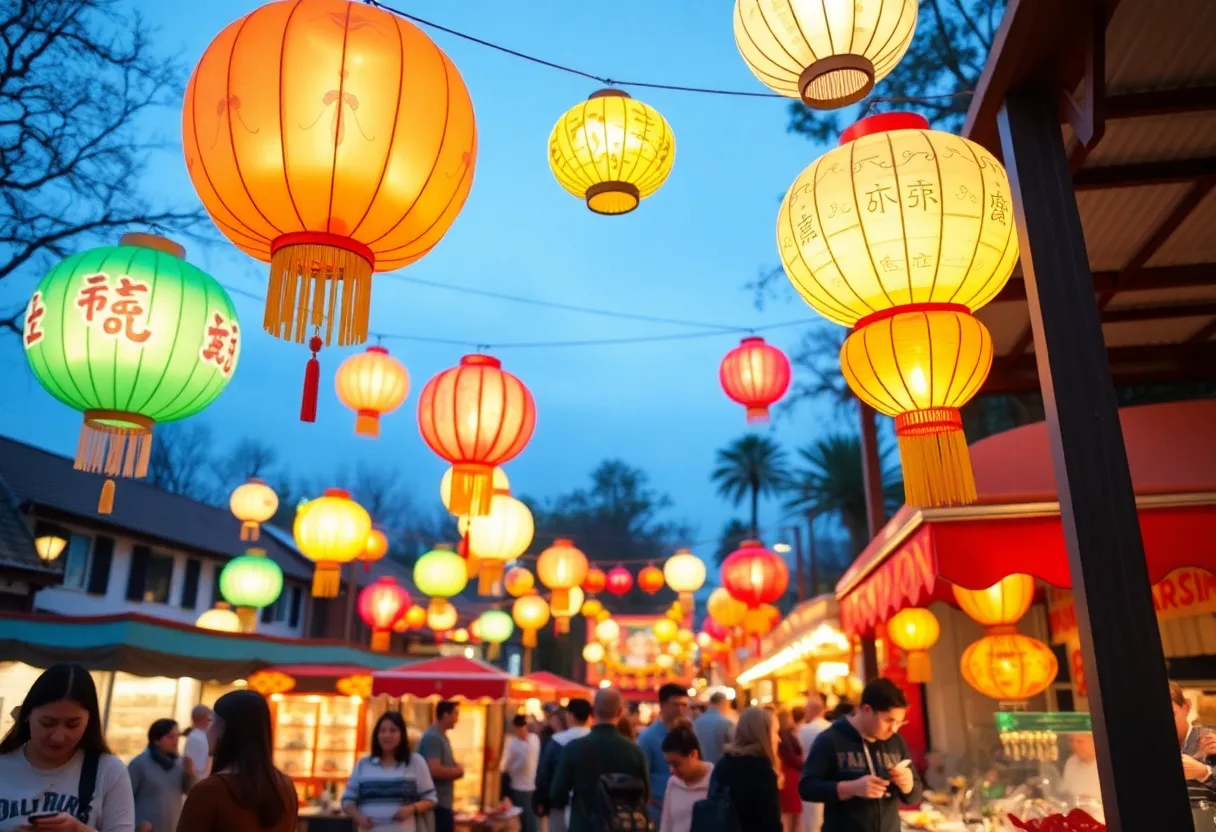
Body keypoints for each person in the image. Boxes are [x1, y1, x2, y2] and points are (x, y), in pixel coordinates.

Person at [0, 663, 134, 832]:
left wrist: (78, 830)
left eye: (73, 724)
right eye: (47, 723)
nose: (58, 737)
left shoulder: (109, 770)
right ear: (27, 715)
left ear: (89, 721)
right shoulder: (3, 764)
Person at [799, 678, 922, 832]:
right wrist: (852, 788)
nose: (894, 729)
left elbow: (916, 794)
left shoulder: (896, 741)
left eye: (899, 722)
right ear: (866, 710)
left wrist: (909, 786)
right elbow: (807, 788)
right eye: (889, 720)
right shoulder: (830, 739)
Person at [176, 689, 297, 832]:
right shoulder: (285, 786)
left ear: (224, 728)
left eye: (211, 722)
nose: (207, 731)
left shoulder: (209, 791)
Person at [549, 687, 650, 832]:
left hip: (583, 825)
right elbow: (645, 795)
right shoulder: (635, 752)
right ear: (620, 712)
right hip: (619, 826)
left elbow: (557, 794)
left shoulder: (574, 749)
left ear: (592, 710)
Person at [342, 712, 436, 832]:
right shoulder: (363, 763)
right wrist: (359, 818)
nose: (387, 735)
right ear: (376, 735)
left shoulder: (415, 762)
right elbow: (347, 801)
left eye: (393, 730)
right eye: (382, 731)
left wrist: (411, 809)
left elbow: (431, 799)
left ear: (402, 734)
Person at [706, 707, 781, 832]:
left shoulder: (723, 763)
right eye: (775, 732)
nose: (779, 739)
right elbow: (770, 823)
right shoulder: (763, 772)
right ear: (763, 735)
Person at [534, 698, 591, 832]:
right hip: (588, 808)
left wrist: (540, 801)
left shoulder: (557, 741)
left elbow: (544, 775)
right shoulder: (595, 740)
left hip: (559, 806)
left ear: (569, 715)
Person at [128, 719, 195, 832]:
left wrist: (189, 773)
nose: (175, 741)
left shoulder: (180, 764)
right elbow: (125, 799)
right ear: (156, 740)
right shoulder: (139, 764)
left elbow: (190, 791)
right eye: (170, 737)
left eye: (177, 737)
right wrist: (138, 822)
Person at [638, 683, 689, 824]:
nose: (680, 709)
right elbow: (643, 775)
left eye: (684, 705)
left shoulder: (690, 733)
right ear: (662, 705)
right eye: (675, 704)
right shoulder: (648, 738)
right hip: (659, 807)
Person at [1170, 681, 1216, 825]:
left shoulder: (1209, 739)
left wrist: (1204, 773)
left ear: (1186, 708)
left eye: (1172, 715)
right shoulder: (1148, 746)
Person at [658, 720, 711, 832]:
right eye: (669, 764)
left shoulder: (715, 782)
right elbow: (666, 824)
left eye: (676, 764)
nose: (672, 770)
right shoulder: (673, 783)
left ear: (693, 754)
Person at [418, 701, 463, 832]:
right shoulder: (433, 737)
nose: (457, 719)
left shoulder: (441, 736)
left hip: (443, 803)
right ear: (445, 715)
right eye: (455, 714)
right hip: (437, 805)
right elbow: (434, 770)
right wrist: (457, 771)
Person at [797, 695, 831, 832]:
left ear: (812, 710)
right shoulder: (832, 728)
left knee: (811, 822)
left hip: (809, 778)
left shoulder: (803, 730)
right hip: (830, 780)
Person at [500, 716, 539, 832]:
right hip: (519, 787)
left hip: (526, 786)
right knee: (527, 821)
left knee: (528, 821)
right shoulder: (515, 743)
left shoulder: (530, 740)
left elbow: (507, 766)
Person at [1060, 733, 1102, 821]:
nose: (1075, 745)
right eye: (1071, 741)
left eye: (1080, 741)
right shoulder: (1071, 762)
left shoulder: (1106, 762)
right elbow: (1064, 795)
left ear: (1094, 741)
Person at [777, 710, 805, 832]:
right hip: (792, 776)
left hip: (785, 773)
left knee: (787, 813)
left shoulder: (779, 736)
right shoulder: (787, 737)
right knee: (792, 815)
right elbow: (793, 758)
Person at [693, 691, 735, 765]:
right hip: (721, 769)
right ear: (724, 703)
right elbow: (735, 747)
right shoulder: (726, 723)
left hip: (702, 768)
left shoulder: (697, 722)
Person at [181, 706, 211, 783]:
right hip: (200, 784)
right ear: (205, 719)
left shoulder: (198, 736)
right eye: (210, 719)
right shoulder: (198, 739)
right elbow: (197, 769)